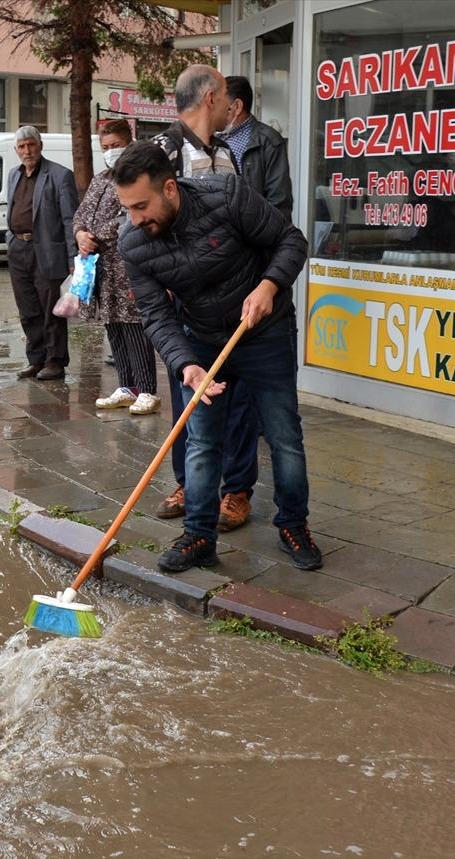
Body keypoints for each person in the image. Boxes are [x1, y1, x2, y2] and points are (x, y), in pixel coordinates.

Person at [114, 141, 323, 573]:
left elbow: (290, 240)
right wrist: (186, 364)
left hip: (264, 330)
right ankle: (199, 535)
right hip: (204, 339)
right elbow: (154, 313)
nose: (134, 219)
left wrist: (269, 285)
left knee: (283, 436)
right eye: (127, 209)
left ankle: (292, 524)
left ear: (170, 189)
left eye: (140, 206)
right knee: (202, 440)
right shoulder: (133, 242)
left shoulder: (226, 195)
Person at [150, 64, 260, 535]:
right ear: (211, 97)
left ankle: (236, 490)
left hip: (231, 301)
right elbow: (136, 221)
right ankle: (190, 485)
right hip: (186, 304)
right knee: (190, 393)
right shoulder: (162, 152)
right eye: (224, 95)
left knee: (237, 399)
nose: (229, 105)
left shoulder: (225, 153)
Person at [74, 120, 160, 415]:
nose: (110, 152)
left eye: (115, 146)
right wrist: (80, 234)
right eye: (105, 147)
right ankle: (127, 386)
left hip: (127, 264)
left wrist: (94, 234)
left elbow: (129, 216)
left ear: (129, 142)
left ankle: (147, 388)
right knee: (112, 324)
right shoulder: (99, 180)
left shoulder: (136, 177)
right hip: (101, 267)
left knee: (133, 325)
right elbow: (81, 214)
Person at [6, 126, 79, 381]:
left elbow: (70, 220)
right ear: (16, 150)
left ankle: (55, 361)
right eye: (22, 147)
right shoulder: (13, 176)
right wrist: (10, 240)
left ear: (40, 145)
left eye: (31, 145)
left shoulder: (59, 176)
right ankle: (35, 359)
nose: (27, 151)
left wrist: (73, 259)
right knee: (27, 310)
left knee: (51, 310)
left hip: (47, 251)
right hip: (18, 249)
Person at [222, 76, 294, 220]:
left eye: (220, 103)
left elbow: (279, 201)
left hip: (254, 235)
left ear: (237, 106)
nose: (215, 110)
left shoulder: (268, 141)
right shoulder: (215, 138)